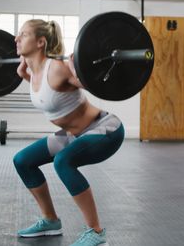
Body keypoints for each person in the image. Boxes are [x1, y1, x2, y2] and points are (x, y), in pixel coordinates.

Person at [12, 19, 124, 246]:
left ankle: (96, 232)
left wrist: (76, 70)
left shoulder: (57, 68)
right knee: (23, 161)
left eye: (23, 34)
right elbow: (44, 91)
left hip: (105, 128)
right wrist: (25, 72)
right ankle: (50, 220)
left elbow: (98, 85)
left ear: (41, 42)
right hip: (74, 134)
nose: (16, 38)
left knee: (63, 161)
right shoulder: (32, 72)